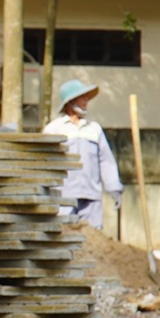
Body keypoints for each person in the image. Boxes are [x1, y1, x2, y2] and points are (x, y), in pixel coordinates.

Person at [42, 78, 123, 230]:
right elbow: (43, 162)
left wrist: (114, 188)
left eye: (87, 97)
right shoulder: (54, 129)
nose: (86, 100)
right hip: (64, 196)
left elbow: (105, 161)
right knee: (63, 236)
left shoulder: (94, 129)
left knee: (92, 238)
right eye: (82, 97)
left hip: (91, 195)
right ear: (70, 102)